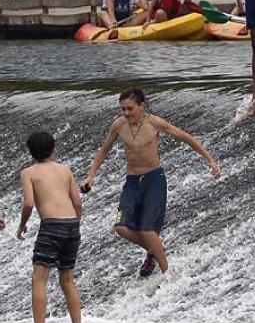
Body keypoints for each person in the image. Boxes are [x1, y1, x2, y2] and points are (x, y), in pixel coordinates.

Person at [80, 88, 222, 277]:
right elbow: (104, 150)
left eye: (130, 108)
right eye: (123, 109)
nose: (126, 113)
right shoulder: (119, 125)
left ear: (141, 106)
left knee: (147, 229)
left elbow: (187, 138)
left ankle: (167, 274)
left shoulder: (154, 123)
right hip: (131, 182)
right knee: (120, 227)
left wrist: (210, 160)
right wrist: (91, 176)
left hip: (154, 179)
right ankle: (154, 250)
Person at [17, 130, 84, 323]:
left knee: (39, 278)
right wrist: (75, 222)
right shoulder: (65, 170)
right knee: (67, 278)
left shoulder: (29, 173)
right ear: (53, 148)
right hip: (71, 224)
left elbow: (28, 203)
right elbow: (78, 202)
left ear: (30, 152)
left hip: (51, 225)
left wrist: (23, 224)